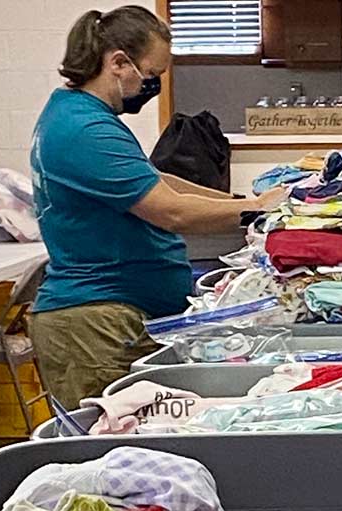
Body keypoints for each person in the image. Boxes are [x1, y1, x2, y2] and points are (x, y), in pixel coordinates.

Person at [29, 6, 284, 407]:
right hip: (96, 326)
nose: (155, 87)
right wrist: (259, 207)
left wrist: (241, 203)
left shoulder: (84, 116)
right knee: (114, 451)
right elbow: (172, 212)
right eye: (152, 75)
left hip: (113, 317)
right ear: (117, 62)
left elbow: (157, 182)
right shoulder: (85, 129)